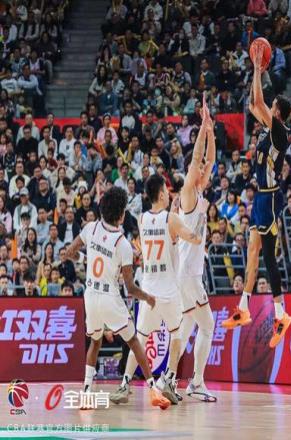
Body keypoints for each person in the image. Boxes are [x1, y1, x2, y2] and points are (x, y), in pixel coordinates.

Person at [65, 186, 171, 410]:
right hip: (109, 297)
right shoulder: (123, 244)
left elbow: (70, 252)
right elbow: (130, 288)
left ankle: (86, 391)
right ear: (122, 215)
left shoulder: (90, 228)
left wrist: (85, 258)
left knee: (95, 341)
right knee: (133, 341)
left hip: (90, 295)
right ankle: (153, 389)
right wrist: (148, 298)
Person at [110, 174, 205, 405]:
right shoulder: (172, 219)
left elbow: (162, 227)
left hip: (149, 289)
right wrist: (201, 216)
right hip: (169, 289)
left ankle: (124, 384)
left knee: (140, 339)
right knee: (177, 334)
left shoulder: (142, 219)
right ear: (162, 194)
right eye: (167, 191)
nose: (170, 194)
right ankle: (169, 380)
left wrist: (173, 214)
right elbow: (194, 238)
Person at [222, 44, 291, 349]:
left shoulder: (279, 132)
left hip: (271, 197)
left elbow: (260, 101)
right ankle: (244, 308)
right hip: (261, 199)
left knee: (267, 257)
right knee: (253, 252)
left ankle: (281, 313)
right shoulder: (267, 126)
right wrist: (256, 72)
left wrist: (256, 67)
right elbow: (254, 103)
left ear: (277, 113)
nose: (268, 107)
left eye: (272, 106)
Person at [177, 96, 217, 402]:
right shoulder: (188, 193)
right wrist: (202, 129)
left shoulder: (198, 192)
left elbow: (210, 160)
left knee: (187, 326)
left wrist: (211, 130)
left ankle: (165, 377)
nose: (203, 169)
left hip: (187, 273)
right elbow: (197, 160)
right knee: (208, 325)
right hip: (188, 274)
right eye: (198, 169)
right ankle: (197, 382)